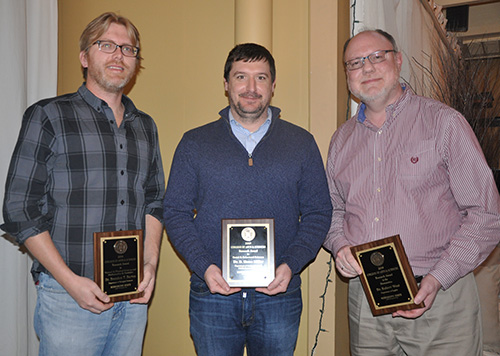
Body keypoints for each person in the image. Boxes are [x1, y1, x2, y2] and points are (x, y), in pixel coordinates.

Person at [323, 29, 500, 356]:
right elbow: (332, 210)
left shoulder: (444, 123)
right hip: (367, 301)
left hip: (440, 300)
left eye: (378, 56)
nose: (368, 68)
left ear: (398, 60)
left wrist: (436, 279)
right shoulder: (341, 141)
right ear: (347, 74)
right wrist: (340, 246)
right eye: (355, 63)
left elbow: (486, 215)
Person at [1, 12, 164, 356]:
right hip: (69, 298)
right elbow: (20, 208)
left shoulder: (145, 126)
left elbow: (154, 201)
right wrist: (70, 282)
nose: (118, 55)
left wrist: (149, 265)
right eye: (106, 45)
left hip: (133, 296)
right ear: (84, 57)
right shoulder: (48, 116)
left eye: (128, 48)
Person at [163, 43, 332, 356]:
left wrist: (291, 264)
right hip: (211, 293)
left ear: (273, 86)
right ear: (226, 84)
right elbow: (175, 212)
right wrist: (203, 267)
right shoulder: (194, 143)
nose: (251, 88)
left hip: (279, 295)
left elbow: (318, 213)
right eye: (241, 77)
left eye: (261, 78)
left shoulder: (301, 143)